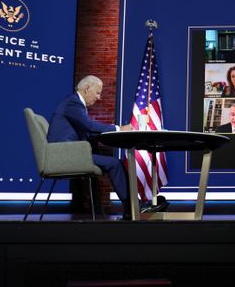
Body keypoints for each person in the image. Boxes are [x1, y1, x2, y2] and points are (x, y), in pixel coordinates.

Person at [47, 75, 165, 219]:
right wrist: (118, 129)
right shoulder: (73, 103)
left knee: (115, 163)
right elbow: (89, 126)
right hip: (65, 155)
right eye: (97, 92)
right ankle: (133, 208)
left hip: (71, 152)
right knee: (115, 164)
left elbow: (85, 130)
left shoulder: (74, 103)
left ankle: (132, 208)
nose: (99, 97)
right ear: (86, 89)